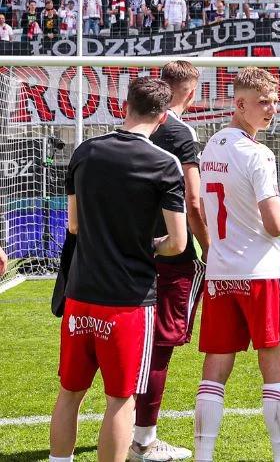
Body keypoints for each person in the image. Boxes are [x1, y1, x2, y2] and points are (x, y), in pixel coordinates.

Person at [49, 77, 188, 462]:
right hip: (128, 301)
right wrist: (151, 244)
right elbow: (177, 242)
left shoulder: (85, 151)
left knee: (70, 393)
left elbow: (73, 225)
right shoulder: (164, 163)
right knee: (120, 399)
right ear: (163, 118)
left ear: (125, 106)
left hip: (80, 294)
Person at [193, 68, 280, 462]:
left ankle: (204, 456)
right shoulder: (258, 154)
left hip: (221, 273)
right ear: (239, 104)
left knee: (215, 370)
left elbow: (202, 206)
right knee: (274, 368)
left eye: (274, 100)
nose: (271, 109)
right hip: (262, 274)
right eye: (262, 102)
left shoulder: (212, 146)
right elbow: (273, 225)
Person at [129, 61, 211, 462]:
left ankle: (126, 426)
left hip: (129, 249)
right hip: (170, 251)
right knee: (159, 345)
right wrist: (209, 247)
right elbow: (192, 201)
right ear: (191, 92)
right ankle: (143, 439)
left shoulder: (129, 129)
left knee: (130, 340)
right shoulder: (180, 131)